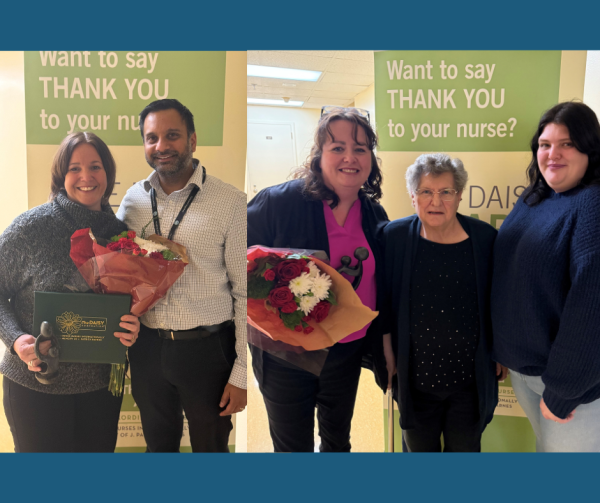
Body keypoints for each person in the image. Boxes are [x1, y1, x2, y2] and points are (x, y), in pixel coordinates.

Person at [247, 106, 389, 452]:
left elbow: (384, 287)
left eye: (360, 148)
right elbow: (236, 264)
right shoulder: (277, 203)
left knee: (338, 441)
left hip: (346, 351)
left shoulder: (374, 215)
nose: (349, 157)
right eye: (337, 147)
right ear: (319, 154)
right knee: (292, 447)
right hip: (286, 355)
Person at [116, 99, 246, 453]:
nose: (161, 146)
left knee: (211, 448)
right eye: (152, 137)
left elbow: (244, 293)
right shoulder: (132, 201)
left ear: (192, 140)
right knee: (158, 446)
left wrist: (241, 374)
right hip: (147, 348)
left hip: (208, 350)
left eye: (172, 135)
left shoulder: (231, 202)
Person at [0, 132, 140, 452]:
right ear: (61, 176)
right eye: (74, 168)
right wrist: (16, 339)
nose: (86, 176)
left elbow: (126, 303)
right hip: (35, 386)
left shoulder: (120, 236)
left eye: (95, 166)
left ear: (108, 175)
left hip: (101, 390)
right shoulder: (31, 228)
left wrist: (132, 326)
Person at [492, 102, 600, 452]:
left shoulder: (592, 204)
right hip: (527, 373)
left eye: (567, 143)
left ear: (589, 148)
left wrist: (563, 391)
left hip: (571, 389)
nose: (553, 154)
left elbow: (592, 308)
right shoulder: (535, 195)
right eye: (545, 144)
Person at [382, 153, 504, 452]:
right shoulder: (394, 237)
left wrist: (501, 350)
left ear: (459, 195)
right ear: (413, 197)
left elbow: (498, 301)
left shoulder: (485, 239)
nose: (436, 201)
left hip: (469, 382)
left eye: (446, 192)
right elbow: (383, 301)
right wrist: (386, 352)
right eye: (426, 192)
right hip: (415, 379)